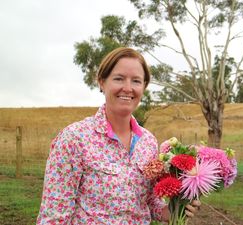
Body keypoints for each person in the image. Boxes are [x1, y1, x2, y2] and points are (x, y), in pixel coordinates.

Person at [37, 47, 201, 224]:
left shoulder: (148, 142)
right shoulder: (75, 138)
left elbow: (148, 201)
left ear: (143, 87)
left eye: (136, 81)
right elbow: (54, 215)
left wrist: (171, 210)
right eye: (119, 78)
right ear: (102, 82)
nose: (128, 88)